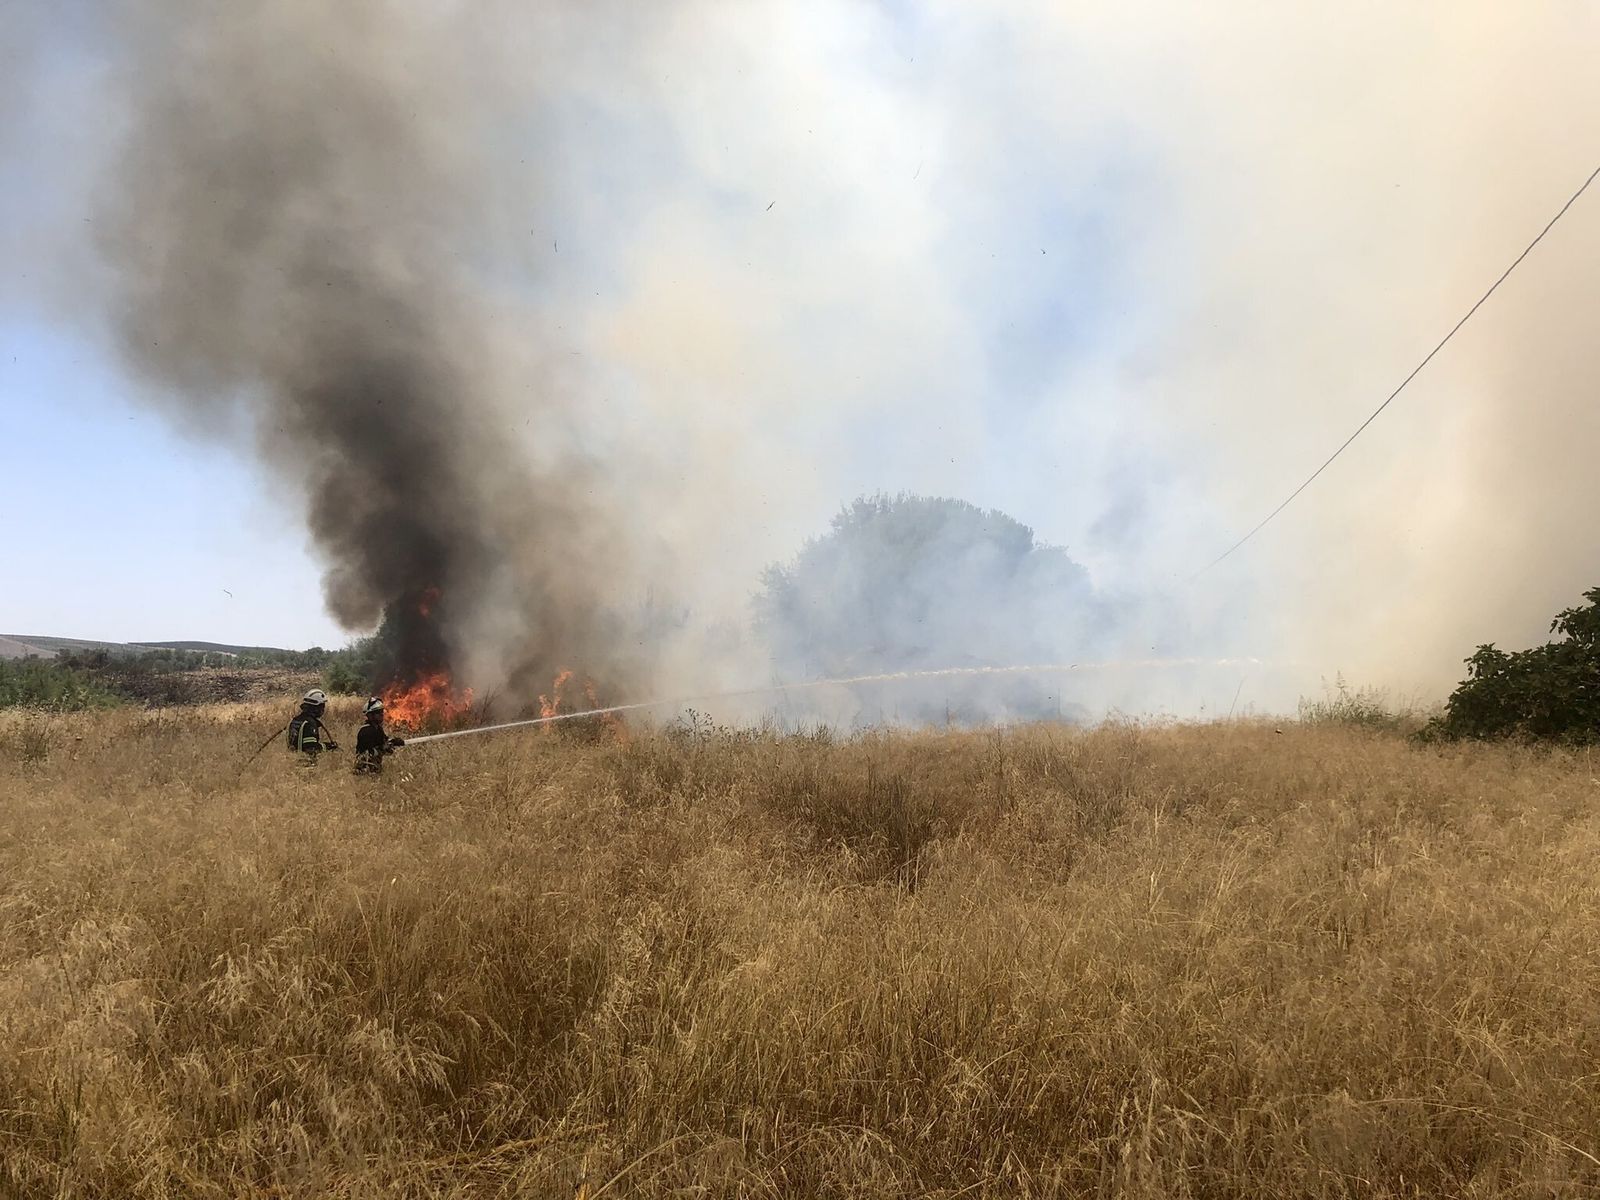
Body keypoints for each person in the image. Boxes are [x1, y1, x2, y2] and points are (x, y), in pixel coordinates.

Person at [353, 696, 405, 774]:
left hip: (375, 769)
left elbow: (383, 743)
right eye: (378, 712)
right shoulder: (366, 731)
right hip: (364, 772)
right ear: (370, 715)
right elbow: (368, 753)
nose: (381, 714)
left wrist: (394, 742)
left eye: (381, 711)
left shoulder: (377, 729)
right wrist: (385, 747)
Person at [286, 688, 338, 760]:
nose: (323, 710)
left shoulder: (294, 720)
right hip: (304, 763)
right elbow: (311, 748)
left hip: (291, 761)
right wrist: (328, 746)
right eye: (322, 706)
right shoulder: (310, 723)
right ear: (316, 707)